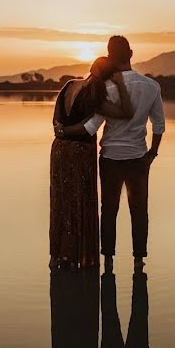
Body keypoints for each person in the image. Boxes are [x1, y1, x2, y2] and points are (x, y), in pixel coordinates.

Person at [56, 36, 165, 269]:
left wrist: (64, 132)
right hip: (138, 157)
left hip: (110, 158)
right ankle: (138, 260)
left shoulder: (104, 88)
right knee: (139, 209)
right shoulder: (152, 86)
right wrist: (152, 154)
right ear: (132, 53)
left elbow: (92, 127)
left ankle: (108, 260)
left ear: (110, 56)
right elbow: (159, 126)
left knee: (109, 209)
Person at [50, 56, 133, 269]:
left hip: (59, 149)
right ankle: (79, 257)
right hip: (80, 151)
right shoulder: (95, 95)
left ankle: (58, 256)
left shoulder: (69, 85)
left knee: (60, 202)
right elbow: (126, 113)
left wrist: (62, 132)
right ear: (109, 78)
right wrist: (121, 85)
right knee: (80, 202)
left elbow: (56, 121)